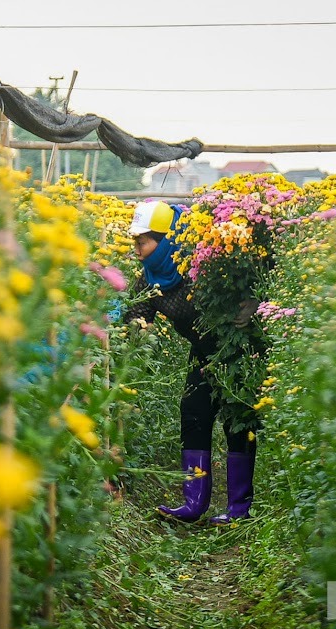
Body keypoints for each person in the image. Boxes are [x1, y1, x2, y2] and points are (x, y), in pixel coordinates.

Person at [122, 200, 259, 525]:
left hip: (236, 350)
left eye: (142, 242)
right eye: (136, 243)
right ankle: (193, 503)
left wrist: (253, 301)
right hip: (201, 351)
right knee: (194, 413)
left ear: (165, 238)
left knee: (236, 420)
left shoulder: (204, 261)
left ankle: (239, 509)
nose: (138, 250)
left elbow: (256, 276)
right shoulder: (151, 279)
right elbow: (132, 311)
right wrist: (112, 325)